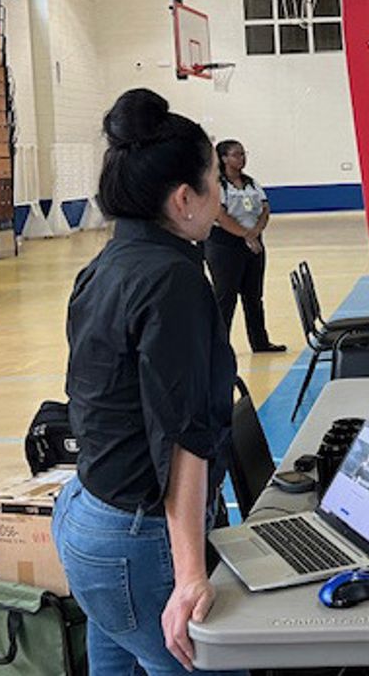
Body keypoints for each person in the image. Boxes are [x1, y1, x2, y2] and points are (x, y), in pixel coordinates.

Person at [53, 89, 238, 676]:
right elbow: (182, 436)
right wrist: (189, 577)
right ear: (185, 199)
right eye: (215, 180)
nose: (222, 193)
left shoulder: (103, 267)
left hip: (84, 518)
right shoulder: (174, 283)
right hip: (138, 542)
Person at [204, 139, 285, 354]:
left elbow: (265, 209)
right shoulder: (218, 185)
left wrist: (255, 233)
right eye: (236, 154)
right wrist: (245, 235)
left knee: (253, 296)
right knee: (225, 297)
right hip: (224, 245)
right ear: (223, 158)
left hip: (253, 244)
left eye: (243, 154)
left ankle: (260, 342)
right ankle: (218, 346)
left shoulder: (251, 183)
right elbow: (220, 215)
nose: (242, 158)